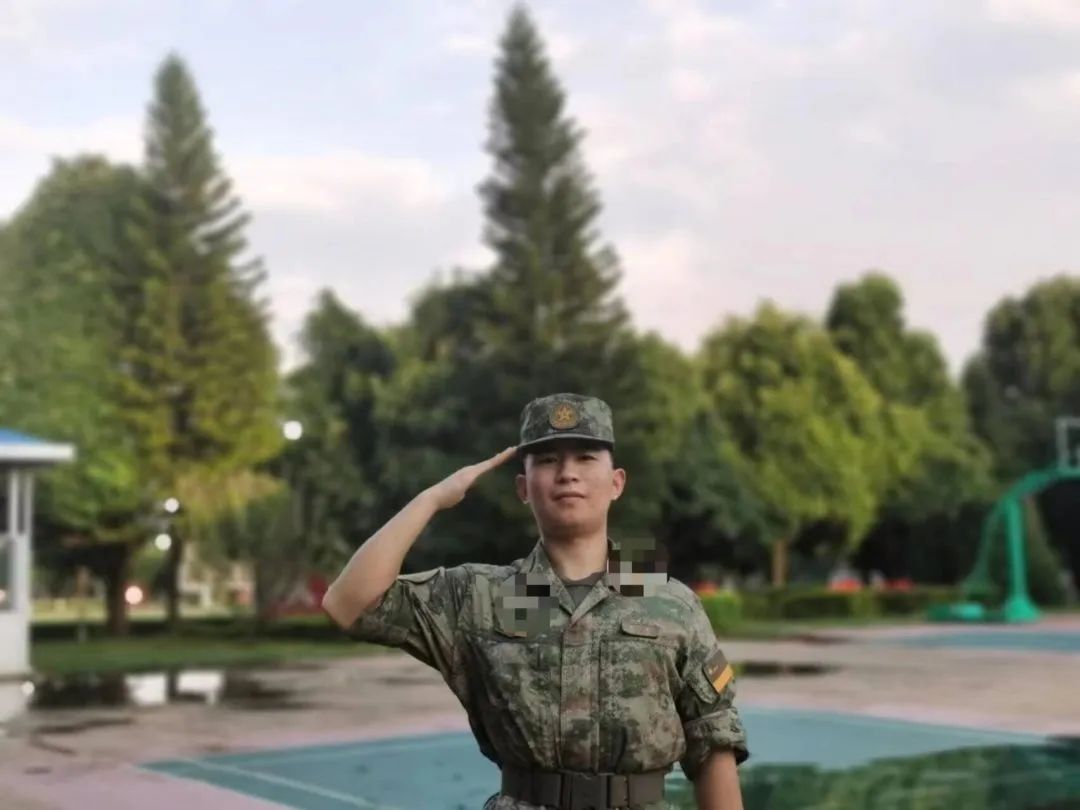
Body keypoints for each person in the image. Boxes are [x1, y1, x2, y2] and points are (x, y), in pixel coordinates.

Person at [323, 393, 748, 809]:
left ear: (616, 483)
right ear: (524, 488)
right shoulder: (480, 597)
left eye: (585, 457)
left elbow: (713, 738)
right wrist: (433, 498)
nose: (567, 473)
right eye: (547, 460)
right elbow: (349, 603)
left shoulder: (669, 601)